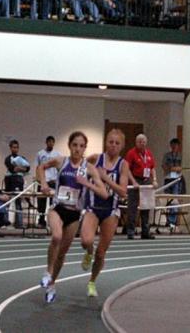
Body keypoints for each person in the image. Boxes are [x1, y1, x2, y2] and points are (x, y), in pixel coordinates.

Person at [36, 131, 108, 303]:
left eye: (81, 146)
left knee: (62, 253)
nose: (77, 149)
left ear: (85, 148)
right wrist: (44, 184)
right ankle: (48, 271)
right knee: (56, 236)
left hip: (75, 215)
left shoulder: (89, 169)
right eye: (74, 145)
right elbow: (40, 167)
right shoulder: (61, 161)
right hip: (58, 209)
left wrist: (87, 183)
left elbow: (103, 193)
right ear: (69, 146)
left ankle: (52, 284)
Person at [80, 129, 130, 297]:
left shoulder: (123, 164)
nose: (113, 145)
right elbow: (80, 168)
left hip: (110, 211)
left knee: (101, 253)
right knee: (86, 240)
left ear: (122, 146)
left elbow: (123, 191)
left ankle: (92, 281)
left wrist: (106, 178)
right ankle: (88, 252)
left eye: (117, 143)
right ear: (105, 143)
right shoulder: (96, 158)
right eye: (110, 142)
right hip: (93, 207)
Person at [125, 134, 158, 239]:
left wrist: (155, 180)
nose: (142, 143)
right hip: (135, 179)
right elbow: (127, 169)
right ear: (136, 142)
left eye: (143, 141)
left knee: (146, 206)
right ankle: (130, 231)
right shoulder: (131, 153)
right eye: (139, 141)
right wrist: (133, 181)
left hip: (146, 180)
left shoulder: (149, 153)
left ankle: (145, 231)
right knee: (132, 207)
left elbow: (152, 168)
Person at [34, 136, 60, 228]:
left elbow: (59, 168)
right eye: (49, 142)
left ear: (54, 143)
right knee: (41, 203)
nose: (50, 144)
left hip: (53, 181)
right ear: (46, 142)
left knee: (53, 203)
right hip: (43, 181)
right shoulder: (40, 153)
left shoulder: (57, 154)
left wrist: (58, 180)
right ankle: (41, 221)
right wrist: (39, 180)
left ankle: (52, 221)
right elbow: (37, 167)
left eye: (52, 142)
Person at [4, 139, 30, 228]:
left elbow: (27, 168)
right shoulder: (7, 159)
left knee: (18, 201)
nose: (15, 149)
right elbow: (12, 169)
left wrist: (20, 168)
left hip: (18, 180)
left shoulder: (22, 158)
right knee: (7, 200)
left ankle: (19, 223)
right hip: (9, 179)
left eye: (17, 147)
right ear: (10, 148)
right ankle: (4, 222)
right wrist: (20, 168)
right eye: (13, 147)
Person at [162, 138, 184, 229]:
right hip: (168, 178)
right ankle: (168, 220)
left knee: (175, 199)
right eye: (173, 145)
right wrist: (174, 168)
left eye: (176, 145)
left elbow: (182, 168)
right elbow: (164, 166)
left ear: (178, 146)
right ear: (170, 146)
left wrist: (173, 168)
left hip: (177, 180)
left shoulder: (181, 156)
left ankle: (172, 221)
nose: (174, 147)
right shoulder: (167, 155)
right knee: (168, 200)